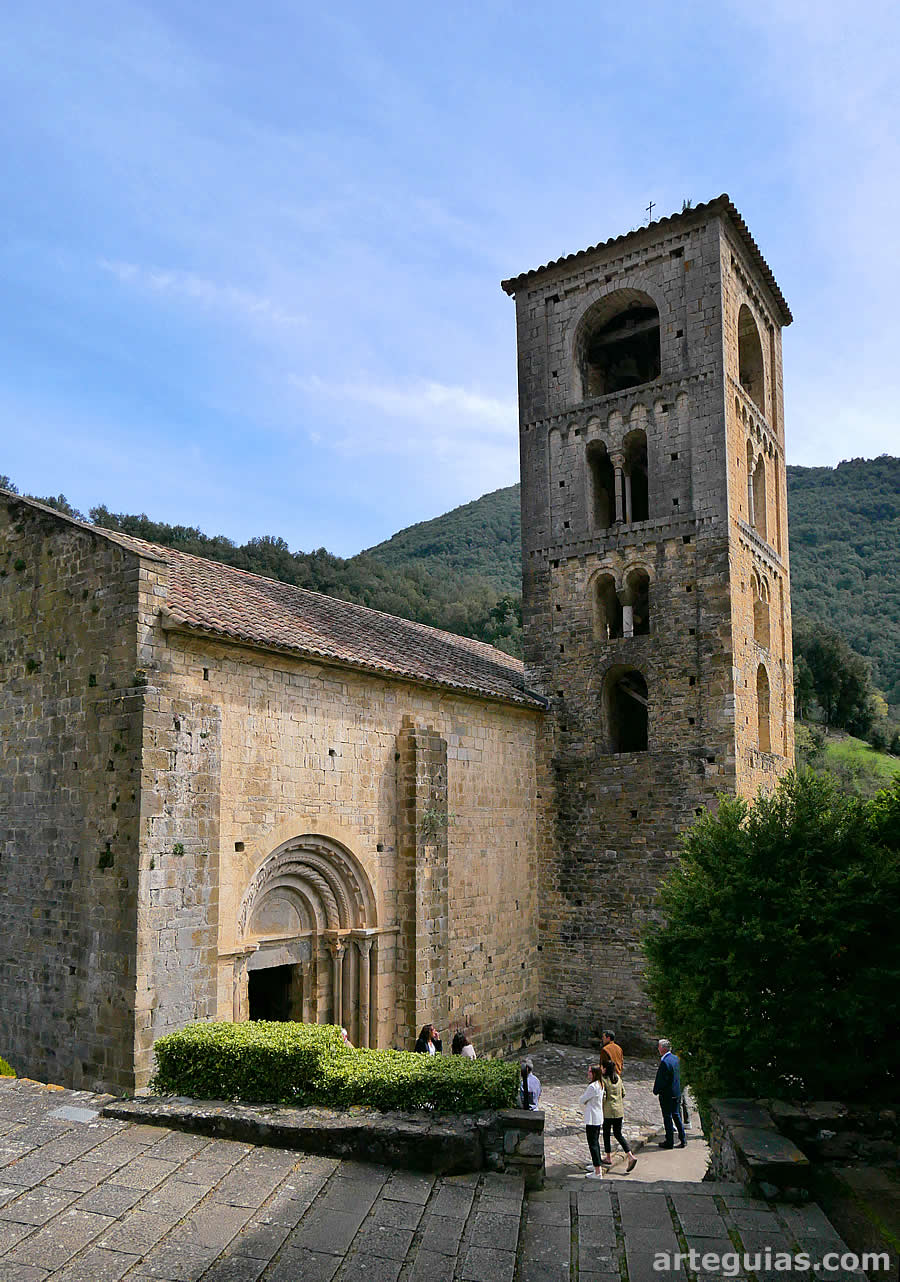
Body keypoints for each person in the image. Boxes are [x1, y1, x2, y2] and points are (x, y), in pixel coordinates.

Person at [601, 1059, 637, 1171]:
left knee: (606, 1134)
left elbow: (604, 1097)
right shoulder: (618, 1079)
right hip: (619, 1111)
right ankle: (630, 1155)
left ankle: (608, 1157)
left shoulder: (604, 1080)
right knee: (618, 1134)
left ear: (605, 1069)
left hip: (608, 1112)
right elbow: (623, 1093)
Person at [653, 1038, 686, 1149]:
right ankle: (683, 1139)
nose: (658, 1048)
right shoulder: (675, 1058)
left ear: (662, 1048)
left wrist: (656, 1090)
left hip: (667, 1094)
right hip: (676, 1092)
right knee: (676, 1115)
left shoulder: (665, 1062)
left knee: (667, 1117)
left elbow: (661, 1080)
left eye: (659, 1046)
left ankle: (669, 1141)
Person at [580, 1063, 605, 1178]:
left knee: (593, 1144)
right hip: (598, 1116)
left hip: (592, 1118)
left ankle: (597, 1172)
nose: (588, 1073)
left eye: (590, 1071)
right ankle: (597, 1164)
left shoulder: (592, 1087)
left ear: (594, 1073)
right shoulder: (600, 1084)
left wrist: (584, 1100)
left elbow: (582, 1099)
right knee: (595, 1142)